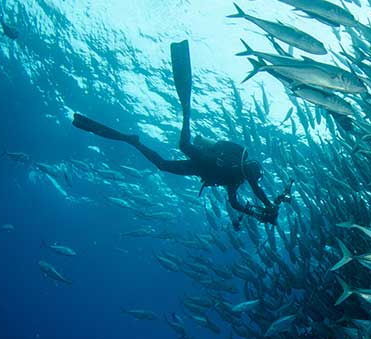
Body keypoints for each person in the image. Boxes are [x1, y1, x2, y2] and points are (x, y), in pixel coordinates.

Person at [72, 40, 291, 228]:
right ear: (251, 167)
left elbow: (234, 203)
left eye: (252, 175)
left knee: (163, 165)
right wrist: (268, 205)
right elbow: (256, 188)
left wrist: (257, 214)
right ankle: (186, 109)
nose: (252, 176)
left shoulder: (237, 180)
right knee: (183, 145)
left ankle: (133, 142)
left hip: (197, 169)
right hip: (203, 159)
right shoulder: (242, 165)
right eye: (253, 173)